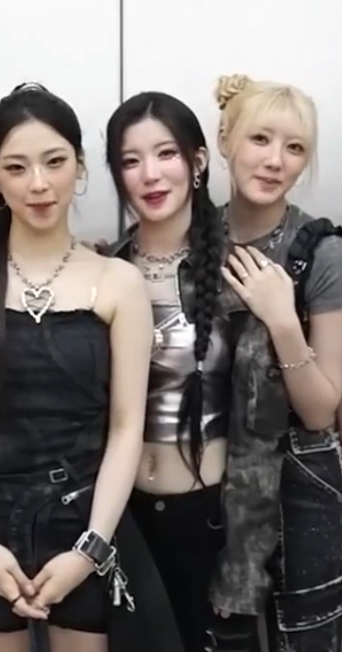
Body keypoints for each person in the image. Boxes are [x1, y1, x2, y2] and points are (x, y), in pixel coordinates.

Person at [0, 81, 185, 652]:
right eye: (16, 168)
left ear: (80, 167)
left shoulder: (118, 282)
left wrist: (90, 549)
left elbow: (126, 428)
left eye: (54, 162)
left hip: (84, 523)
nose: (38, 183)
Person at [208, 74, 342, 652]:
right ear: (225, 140)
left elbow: (321, 411)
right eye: (260, 139)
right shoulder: (191, 239)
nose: (275, 161)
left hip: (297, 488)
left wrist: (283, 322)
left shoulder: (321, 251)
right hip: (202, 485)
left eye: (294, 148)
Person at [104, 91, 240, 651]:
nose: (150, 175)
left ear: (198, 161)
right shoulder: (105, 270)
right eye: (130, 160)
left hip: (209, 518)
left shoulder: (237, 268)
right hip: (122, 517)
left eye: (166, 154)